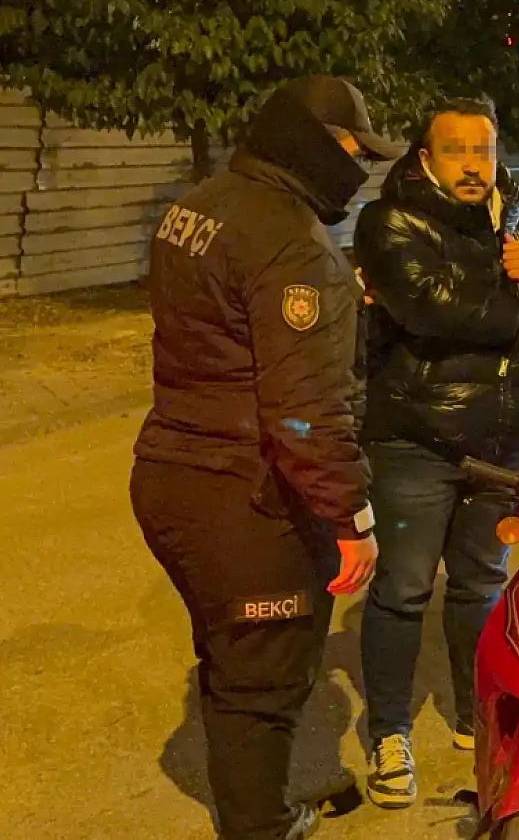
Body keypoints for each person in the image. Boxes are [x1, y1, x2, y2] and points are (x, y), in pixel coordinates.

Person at [131, 75, 403, 840]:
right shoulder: (291, 241)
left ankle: (265, 809)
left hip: (171, 475)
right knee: (262, 686)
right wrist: (352, 516)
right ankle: (260, 828)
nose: (360, 168)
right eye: (353, 149)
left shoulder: (202, 204)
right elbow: (306, 411)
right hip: (243, 500)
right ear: (310, 142)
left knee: (231, 662)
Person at [354, 99, 519, 808]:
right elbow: (431, 306)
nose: (474, 164)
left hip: (498, 446)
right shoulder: (391, 221)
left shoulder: (514, 223)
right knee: (403, 590)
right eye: (458, 150)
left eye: (484, 150)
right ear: (425, 157)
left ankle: (479, 716)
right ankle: (389, 732)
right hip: (413, 443)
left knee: (480, 586)